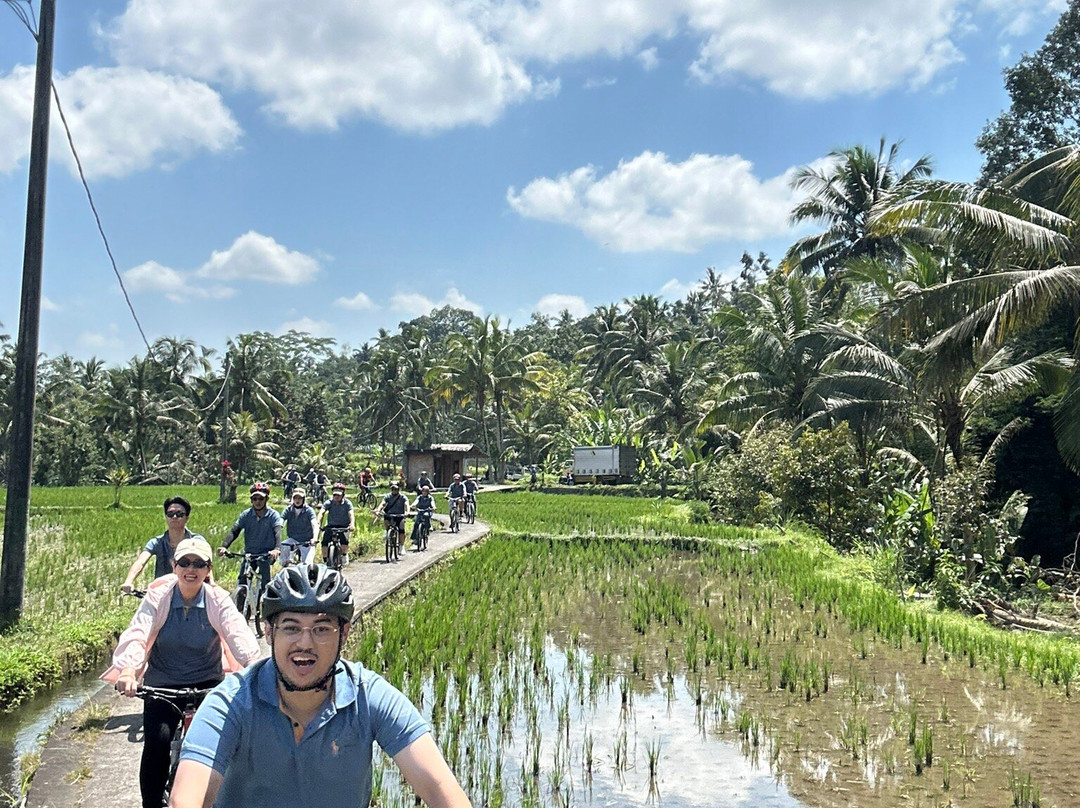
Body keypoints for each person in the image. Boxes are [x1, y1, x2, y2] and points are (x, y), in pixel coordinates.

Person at [169, 565, 473, 808]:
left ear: (344, 634)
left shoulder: (368, 696)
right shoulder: (232, 701)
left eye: (322, 629)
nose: (305, 643)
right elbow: (187, 798)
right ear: (269, 633)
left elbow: (439, 787)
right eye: (291, 627)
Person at [105, 537, 260, 808]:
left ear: (208, 569)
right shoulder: (158, 597)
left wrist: (253, 669)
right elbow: (138, 632)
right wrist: (128, 670)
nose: (191, 569)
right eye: (185, 562)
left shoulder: (217, 599)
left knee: (219, 746)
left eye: (199, 564)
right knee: (158, 742)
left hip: (208, 684)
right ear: (174, 566)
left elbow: (237, 633)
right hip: (162, 685)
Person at [218, 482, 282, 607]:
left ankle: (265, 605)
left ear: (266, 499)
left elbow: (277, 532)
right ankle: (240, 609)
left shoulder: (273, 515)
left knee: (264, 577)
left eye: (261, 499)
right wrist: (224, 546)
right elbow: (234, 531)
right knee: (242, 579)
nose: (257, 502)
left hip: (266, 554)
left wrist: (276, 549)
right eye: (254, 498)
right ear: (251, 500)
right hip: (250, 553)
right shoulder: (246, 515)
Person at [121, 497, 203, 593]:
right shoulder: (156, 542)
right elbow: (140, 562)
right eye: (170, 514)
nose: (174, 517)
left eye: (179, 514)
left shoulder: (197, 541)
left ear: (187, 518)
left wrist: (212, 584)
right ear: (166, 517)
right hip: (162, 592)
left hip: (191, 591)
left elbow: (207, 564)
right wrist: (129, 581)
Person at [280, 488, 319, 566]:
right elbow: (280, 522)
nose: (297, 500)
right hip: (293, 539)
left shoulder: (309, 510)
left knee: (307, 565)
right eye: (295, 498)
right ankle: (285, 567)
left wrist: (314, 538)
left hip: (307, 542)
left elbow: (315, 525)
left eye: (300, 498)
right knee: (283, 546)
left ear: (303, 499)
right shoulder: (288, 510)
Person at [320, 482, 355, 565]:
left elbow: (351, 514)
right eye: (335, 495)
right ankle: (325, 560)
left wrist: (352, 524)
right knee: (324, 542)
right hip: (331, 525)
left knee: (344, 541)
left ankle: (344, 555)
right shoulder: (329, 502)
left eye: (339, 495)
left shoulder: (347, 503)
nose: (336, 497)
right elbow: (321, 512)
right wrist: (318, 523)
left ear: (343, 495)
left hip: (344, 526)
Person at [377, 483, 409, 557]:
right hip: (390, 515)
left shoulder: (403, 497)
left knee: (401, 528)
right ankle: (387, 531)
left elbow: (406, 504)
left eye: (396, 489)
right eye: (393, 489)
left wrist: (407, 512)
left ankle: (401, 546)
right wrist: (378, 510)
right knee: (386, 518)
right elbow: (382, 503)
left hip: (399, 515)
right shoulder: (387, 496)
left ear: (398, 490)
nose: (394, 491)